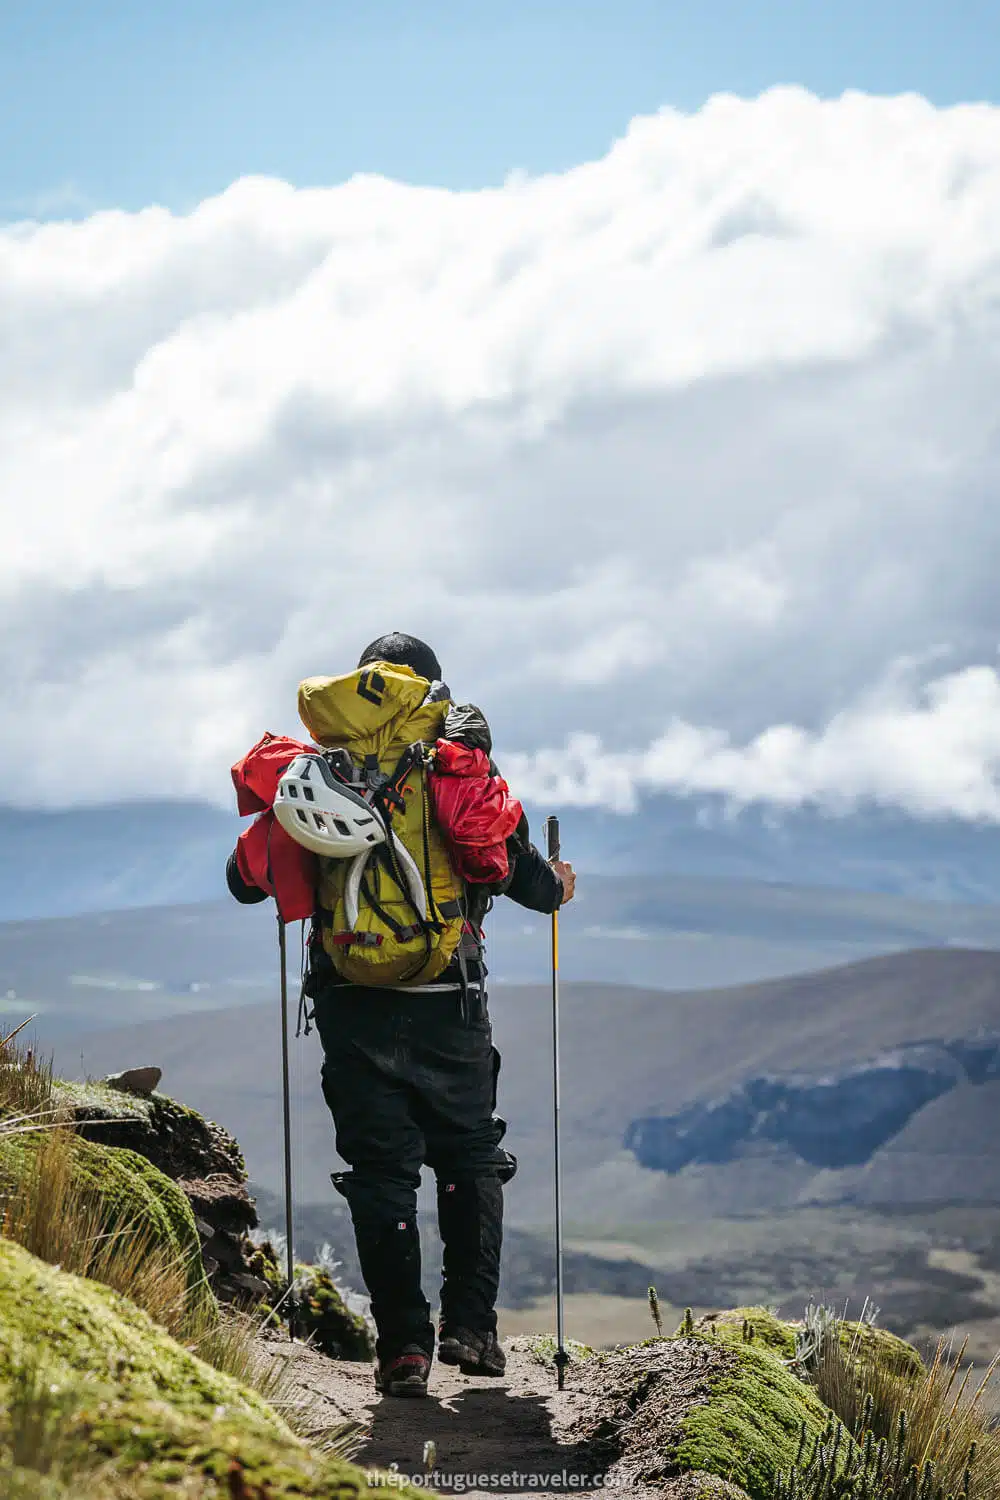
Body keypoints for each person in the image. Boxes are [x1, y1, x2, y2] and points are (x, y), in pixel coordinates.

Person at [229, 632, 575, 1399]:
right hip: (449, 1001)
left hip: (351, 1006)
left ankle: (403, 1350)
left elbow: (244, 880)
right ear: (431, 692)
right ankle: (472, 1329)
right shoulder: (456, 769)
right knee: (468, 1156)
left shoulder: (319, 772)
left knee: (382, 1173)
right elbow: (523, 877)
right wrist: (559, 883)